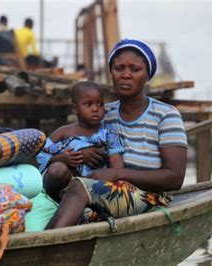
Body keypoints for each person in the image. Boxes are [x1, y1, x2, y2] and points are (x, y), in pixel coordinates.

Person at [45, 39, 188, 229]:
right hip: (101, 188)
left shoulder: (166, 115)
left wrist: (116, 173)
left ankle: (44, 248)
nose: (126, 75)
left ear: (147, 75)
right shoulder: (103, 113)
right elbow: (71, 136)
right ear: (111, 73)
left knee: (79, 188)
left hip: (149, 196)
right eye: (119, 68)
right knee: (57, 177)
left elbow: (175, 178)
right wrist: (82, 152)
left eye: (135, 69)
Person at [37, 81, 124, 202]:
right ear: (74, 108)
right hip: (63, 185)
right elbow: (41, 156)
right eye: (88, 104)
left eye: (100, 104)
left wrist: (121, 182)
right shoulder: (63, 132)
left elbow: (116, 161)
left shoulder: (108, 134)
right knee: (58, 169)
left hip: (94, 185)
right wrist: (61, 158)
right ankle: (55, 201)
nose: (95, 109)